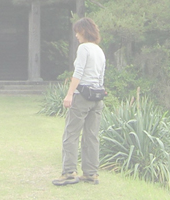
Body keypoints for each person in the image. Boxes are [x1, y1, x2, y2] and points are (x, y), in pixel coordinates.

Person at [52, 17, 105, 186]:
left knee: (71, 134)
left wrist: (69, 94)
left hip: (82, 96)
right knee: (92, 136)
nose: (76, 35)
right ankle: (91, 173)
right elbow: (101, 76)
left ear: (84, 31)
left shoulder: (83, 48)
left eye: (77, 31)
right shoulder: (99, 50)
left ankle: (69, 172)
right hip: (97, 97)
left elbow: (78, 73)